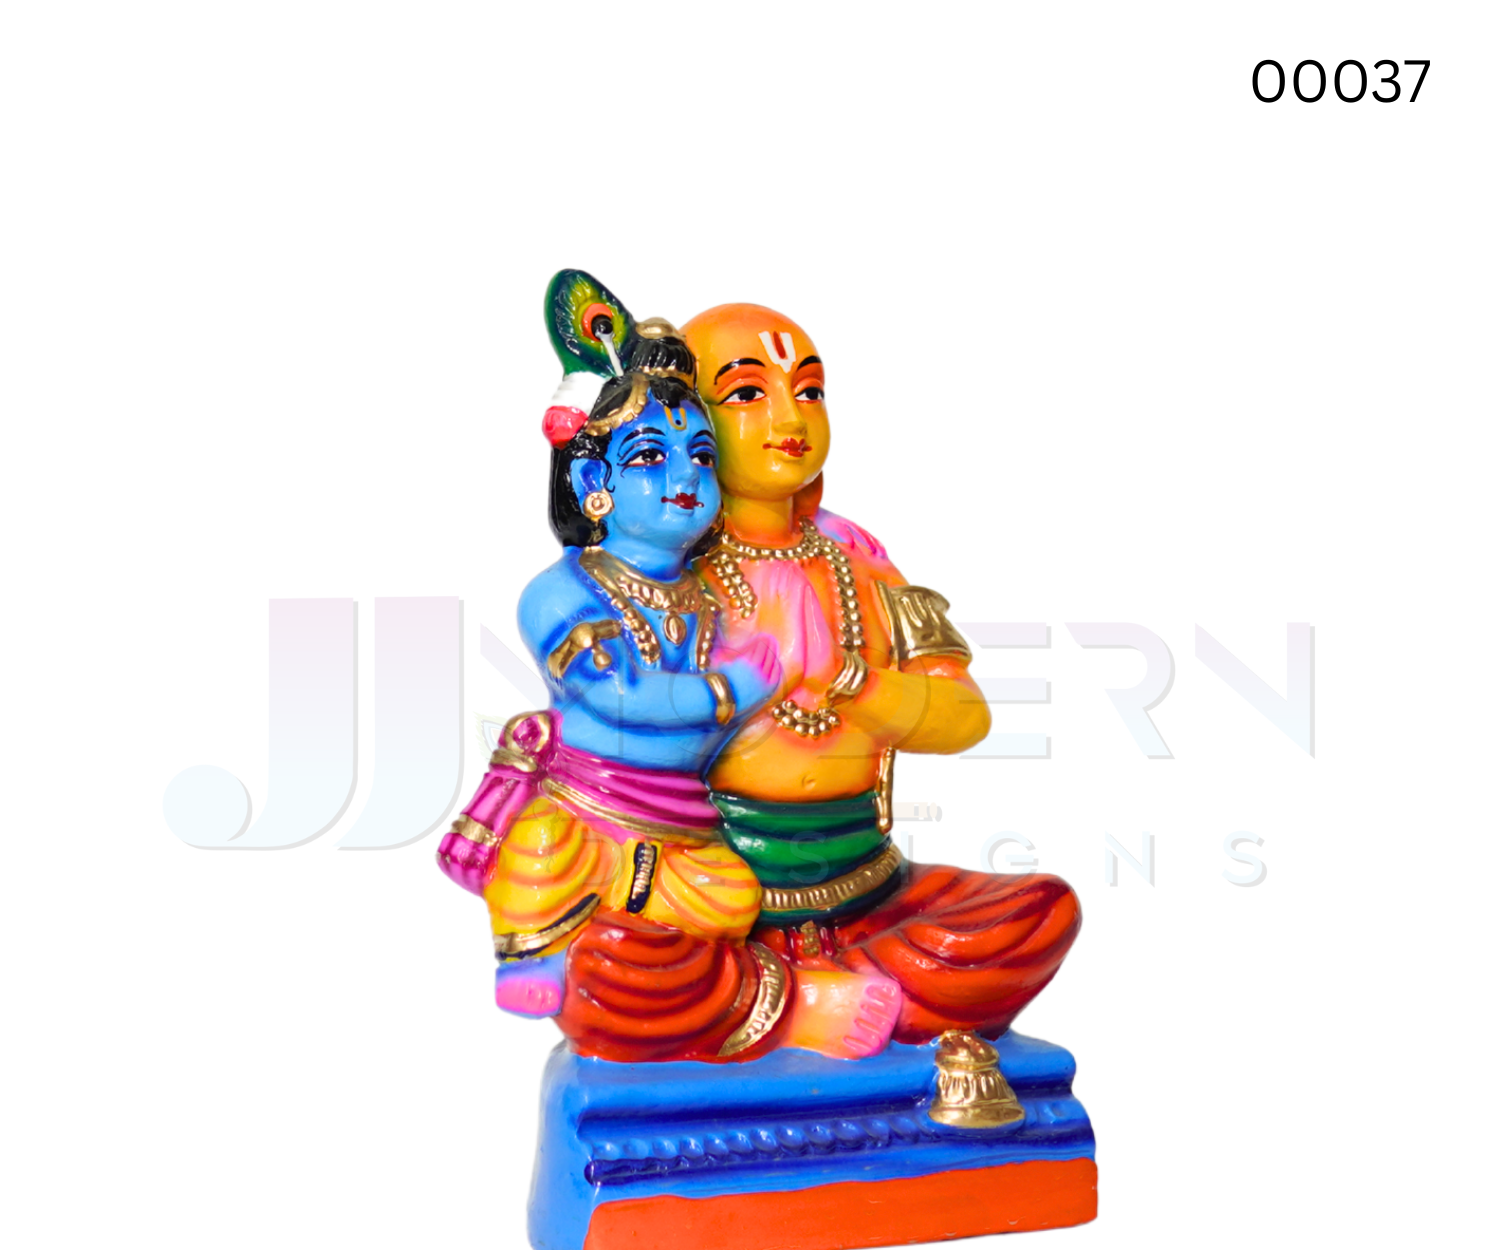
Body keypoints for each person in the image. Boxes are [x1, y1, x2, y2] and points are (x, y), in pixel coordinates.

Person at [439, 315, 902, 1062]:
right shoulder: (561, 593)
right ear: (594, 484)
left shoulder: (712, 595)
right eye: (651, 457)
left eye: (702, 456)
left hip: (682, 830)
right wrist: (731, 689)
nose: (685, 477)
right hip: (586, 814)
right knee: (544, 855)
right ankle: (550, 957)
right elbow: (619, 695)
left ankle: (694, 979)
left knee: (734, 897)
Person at [672, 301, 1084, 1044]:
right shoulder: (668, 574)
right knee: (612, 952)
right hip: (720, 900)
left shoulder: (863, 564)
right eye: (747, 393)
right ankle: (810, 1003)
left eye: (809, 390)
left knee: (1040, 912)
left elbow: (966, 716)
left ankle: (787, 999)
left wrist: (849, 681)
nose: (789, 417)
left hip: (870, 890)